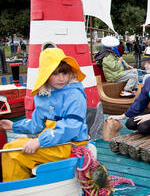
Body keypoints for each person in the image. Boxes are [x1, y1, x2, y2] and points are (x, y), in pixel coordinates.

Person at [0, 48, 89, 182]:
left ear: (70, 73)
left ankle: (17, 190)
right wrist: (14, 126)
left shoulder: (74, 94)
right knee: (9, 149)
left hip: (71, 144)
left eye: (64, 73)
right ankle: (16, 186)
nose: (61, 78)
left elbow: (71, 127)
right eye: (55, 74)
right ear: (46, 74)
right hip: (53, 143)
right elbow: (36, 125)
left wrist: (39, 141)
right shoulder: (44, 95)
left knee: (13, 150)